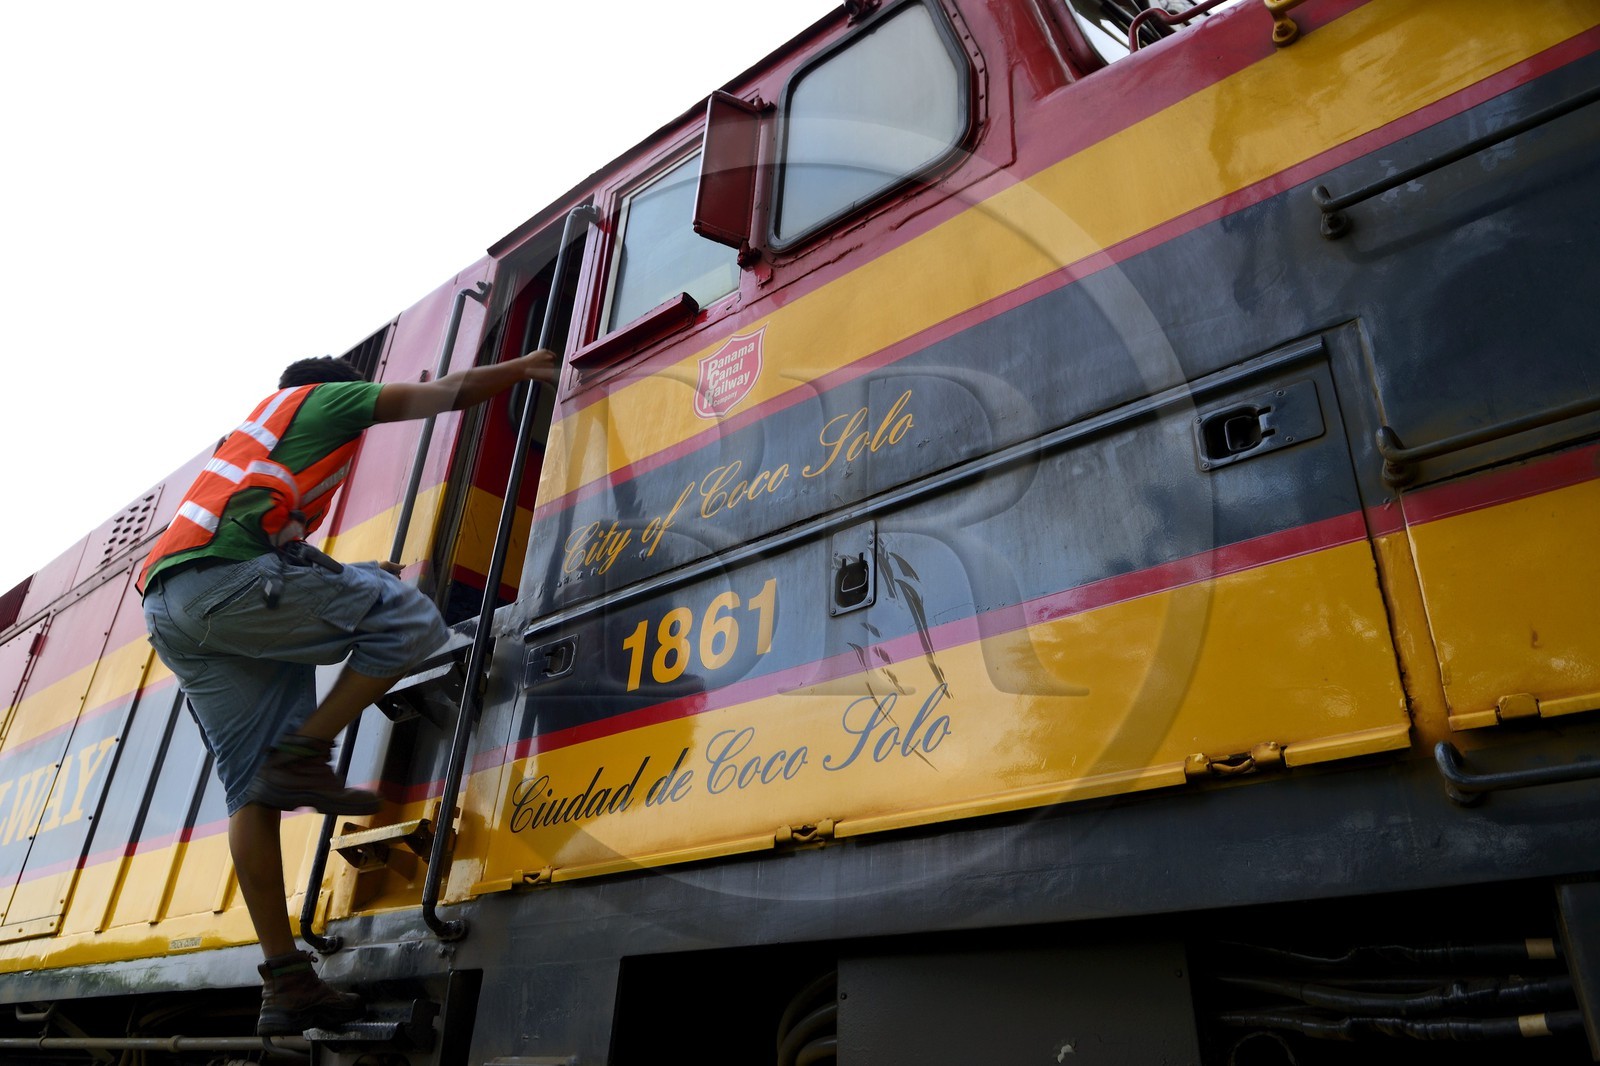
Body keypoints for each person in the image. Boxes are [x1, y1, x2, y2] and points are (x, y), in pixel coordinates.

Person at [139, 348, 558, 1036]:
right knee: (409, 619)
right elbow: (448, 392)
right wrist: (523, 367)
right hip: (226, 588)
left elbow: (267, 551)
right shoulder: (323, 399)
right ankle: (302, 752)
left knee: (251, 795)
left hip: (171, 607)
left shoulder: (250, 444)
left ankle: (287, 981)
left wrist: (353, 570)